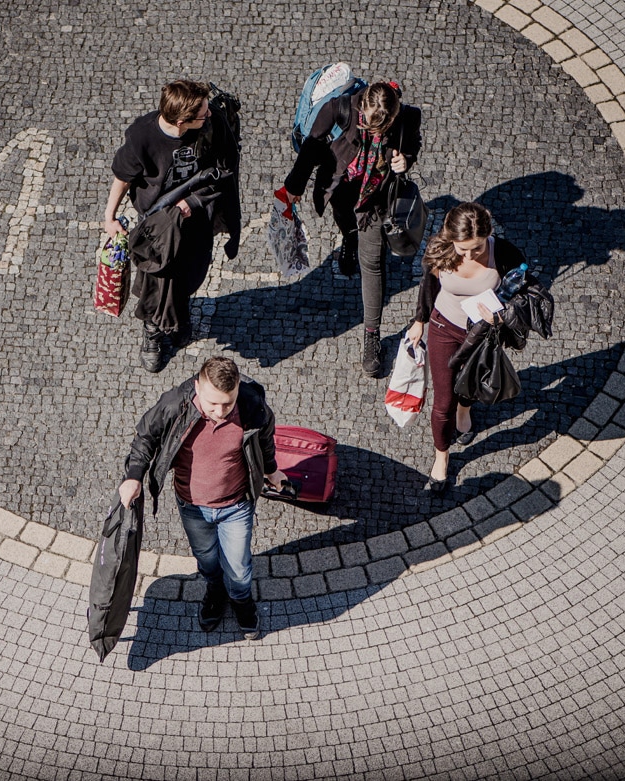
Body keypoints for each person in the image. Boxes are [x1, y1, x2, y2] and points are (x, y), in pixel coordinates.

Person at [118, 356, 288, 639]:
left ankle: (242, 601)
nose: (220, 411)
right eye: (212, 404)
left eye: (227, 403)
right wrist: (133, 475)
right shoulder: (176, 405)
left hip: (236, 504)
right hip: (192, 505)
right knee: (207, 559)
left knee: (239, 567)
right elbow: (145, 436)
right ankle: (215, 591)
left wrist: (271, 471)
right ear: (197, 387)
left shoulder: (251, 404)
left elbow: (266, 438)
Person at [284, 80, 422, 377]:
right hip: (341, 188)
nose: (372, 134)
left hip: (375, 200)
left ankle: (371, 336)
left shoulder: (408, 117)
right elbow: (311, 148)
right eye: (368, 127)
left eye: (379, 131)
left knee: (371, 263)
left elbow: (413, 145)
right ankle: (349, 238)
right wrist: (293, 187)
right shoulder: (338, 108)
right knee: (345, 222)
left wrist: (404, 160)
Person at [103, 80, 241, 373]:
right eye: (202, 112)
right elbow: (123, 176)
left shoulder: (212, 123)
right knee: (155, 279)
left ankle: (178, 314)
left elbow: (226, 166)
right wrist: (109, 215)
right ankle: (153, 330)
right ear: (182, 121)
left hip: (197, 216)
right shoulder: (142, 136)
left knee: (191, 272)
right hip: (158, 224)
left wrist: (193, 201)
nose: (210, 114)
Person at [407, 202, 528, 492]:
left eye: (477, 248)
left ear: (489, 234)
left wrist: (501, 316)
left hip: (484, 332)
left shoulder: (505, 253)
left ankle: (465, 409)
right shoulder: (442, 248)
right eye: (464, 250)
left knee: (470, 383)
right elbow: (429, 285)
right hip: (443, 327)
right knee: (443, 401)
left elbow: (524, 294)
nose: (471, 255)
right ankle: (441, 457)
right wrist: (419, 320)